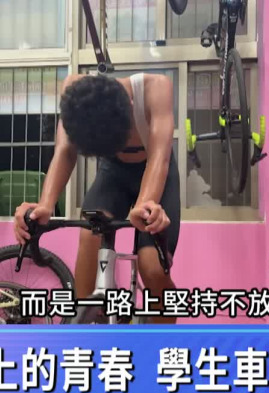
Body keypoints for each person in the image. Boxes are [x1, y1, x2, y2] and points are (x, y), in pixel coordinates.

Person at [13, 72, 181, 324]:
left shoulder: (156, 88)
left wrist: (146, 203)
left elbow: (160, 157)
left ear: (130, 107)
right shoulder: (74, 93)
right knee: (90, 236)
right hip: (113, 173)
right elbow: (65, 151)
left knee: (152, 267)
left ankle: (163, 340)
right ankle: (82, 329)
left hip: (157, 169)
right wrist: (45, 205)